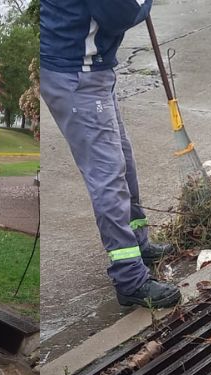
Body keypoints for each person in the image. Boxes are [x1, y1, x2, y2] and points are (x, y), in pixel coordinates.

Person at [39, 0, 181, 308]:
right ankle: (130, 279)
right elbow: (121, 12)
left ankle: (139, 243)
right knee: (108, 177)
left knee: (122, 160)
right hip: (78, 75)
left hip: (93, 70)